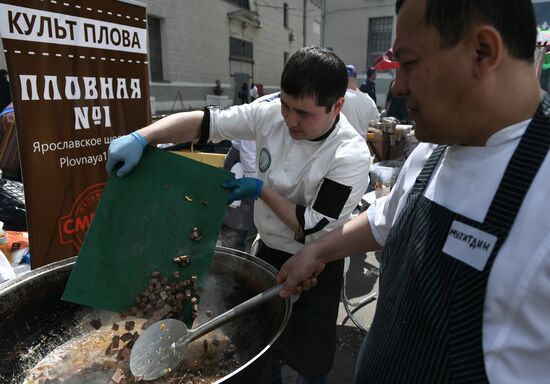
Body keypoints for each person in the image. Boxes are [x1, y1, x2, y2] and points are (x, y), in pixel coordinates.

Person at [276, 1, 550, 383]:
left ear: (483, 51)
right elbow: (384, 220)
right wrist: (316, 251)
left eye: (408, 63)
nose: (399, 87)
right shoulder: (432, 148)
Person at [107, 46, 372, 384]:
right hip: (266, 253)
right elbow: (206, 123)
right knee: (260, 346)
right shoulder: (269, 115)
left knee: (312, 361)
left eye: (304, 114)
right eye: (286, 106)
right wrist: (144, 136)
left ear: (337, 106)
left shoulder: (349, 154)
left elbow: (310, 224)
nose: (290, 120)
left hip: (316, 264)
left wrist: (261, 190)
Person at [220, 139, 257, 252]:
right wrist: (259, 187)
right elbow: (249, 153)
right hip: (244, 165)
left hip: (262, 169)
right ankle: (231, 255)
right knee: (236, 226)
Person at [341, 64, 379, 138]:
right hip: (362, 146)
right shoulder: (368, 100)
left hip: (342, 146)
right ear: (356, 79)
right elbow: (375, 121)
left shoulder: (338, 98)